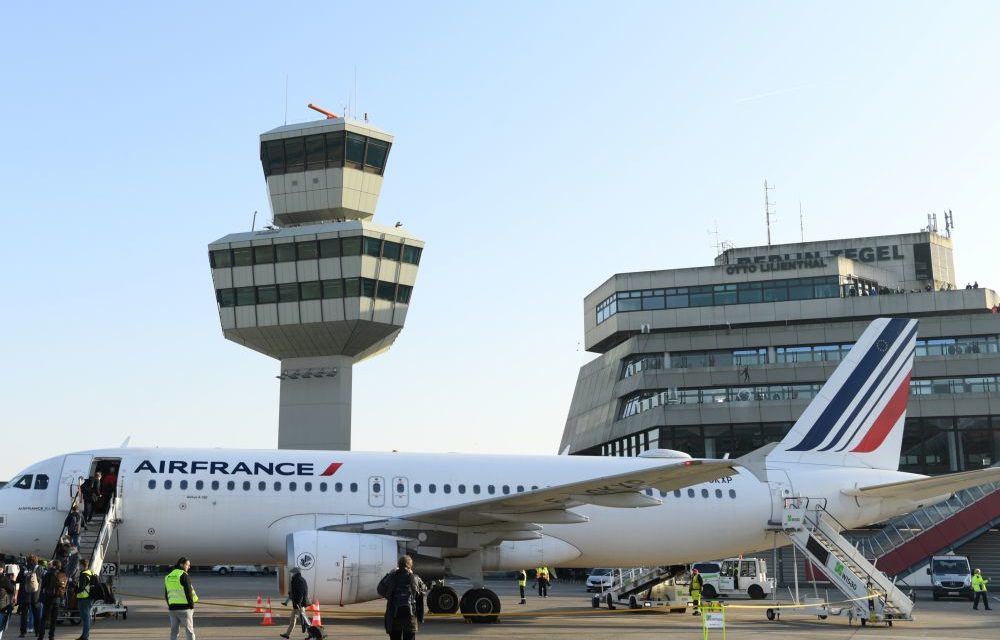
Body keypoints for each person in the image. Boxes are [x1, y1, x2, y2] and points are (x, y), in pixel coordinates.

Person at [377, 555, 427, 640]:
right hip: (410, 617)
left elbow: (380, 589)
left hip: (394, 617)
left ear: (399, 565)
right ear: (410, 565)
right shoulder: (414, 577)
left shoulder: (392, 577)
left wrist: (390, 574)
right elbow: (424, 589)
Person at [164, 557, 198, 640]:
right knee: (189, 631)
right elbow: (188, 591)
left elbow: (166, 594)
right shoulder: (184, 575)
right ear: (181, 565)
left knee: (174, 632)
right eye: (187, 565)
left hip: (173, 609)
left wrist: (170, 605)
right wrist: (191, 606)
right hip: (185, 609)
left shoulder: (168, 576)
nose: (189, 567)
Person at [37, 559, 68, 640]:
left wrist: (41, 597)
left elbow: (43, 585)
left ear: (54, 565)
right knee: (53, 620)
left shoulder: (49, 574)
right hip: (57, 599)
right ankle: (51, 636)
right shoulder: (63, 575)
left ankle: (41, 637)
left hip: (48, 599)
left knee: (44, 619)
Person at [17, 554, 43, 638]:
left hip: (25, 595)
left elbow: (18, 580)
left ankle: (22, 632)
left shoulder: (23, 568)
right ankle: (37, 632)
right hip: (36, 596)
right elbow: (41, 580)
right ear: (36, 560)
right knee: (37, 615)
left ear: (27, 560)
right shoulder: (39, 568)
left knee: (24, 615)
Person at [279, 567, 309, 639]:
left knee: (304, 620)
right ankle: (287, 634)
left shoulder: (298, 580)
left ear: (295, 573)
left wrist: (298, 603)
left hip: (298, 604)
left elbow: (301, 593)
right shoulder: (301, 579)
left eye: (292, 572)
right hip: (298, 604)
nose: (291, 574)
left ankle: (312, 633)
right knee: (297, 620)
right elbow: (297, 591)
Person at [76, 559, 95, 640]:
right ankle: (85, 635)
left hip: (84, 598)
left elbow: (81, 588)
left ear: (82, 565)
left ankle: (85, 636)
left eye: (79, 565)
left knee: (85, 618)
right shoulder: (90, 572)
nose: (78, 566)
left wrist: (74, 589)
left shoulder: (83, 574)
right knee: (87, 618)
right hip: (90, 598)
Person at [0, 564, 16, 635]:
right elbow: (11, 589)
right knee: (1, 625)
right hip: (2, 604)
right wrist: (12, 581)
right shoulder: (4, 579)